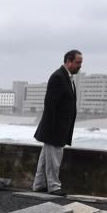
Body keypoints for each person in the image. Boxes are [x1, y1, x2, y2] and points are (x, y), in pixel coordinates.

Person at [32, 49, 83, 194]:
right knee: (54, 159)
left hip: (59, 127)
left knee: (45, 158)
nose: (80, 66)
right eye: (78, 62)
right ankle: (54, 186)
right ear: (68, 61)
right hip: (55, 128)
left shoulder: (66, 77)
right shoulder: (58, 77)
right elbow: (50, 105)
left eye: (80, 63)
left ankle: (39, 185)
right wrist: (50, 129)